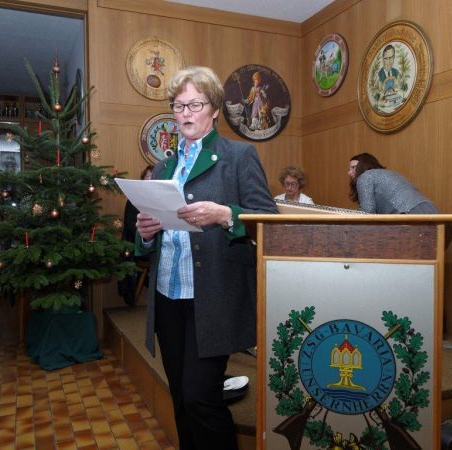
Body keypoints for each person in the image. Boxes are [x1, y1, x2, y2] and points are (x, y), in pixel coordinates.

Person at [136, 66, 277, 450]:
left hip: (212, 298)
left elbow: (268, 221)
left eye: (195, 104)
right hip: (167, 296)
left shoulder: (239, 156)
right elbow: (149, 234)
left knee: (202, 397)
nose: (185, 113)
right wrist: (145, 232)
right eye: (178, 105)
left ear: (214, 109)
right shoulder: (164, 166)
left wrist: (226, 215)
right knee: (181, 396)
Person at [348, 152, 439, 214]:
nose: (349, 173)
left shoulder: (365, 176)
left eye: (353, 167)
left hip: (409, 213)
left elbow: (367, 212)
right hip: (430, 209)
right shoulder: (390, 173)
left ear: (363, 165)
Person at [118, 165, 153, 306]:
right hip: (139, 245)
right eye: (148, 177)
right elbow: (130, 225)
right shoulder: (134, 199)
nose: (151, 180)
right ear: (142, 180)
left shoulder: (162, 199)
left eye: (154, 177)